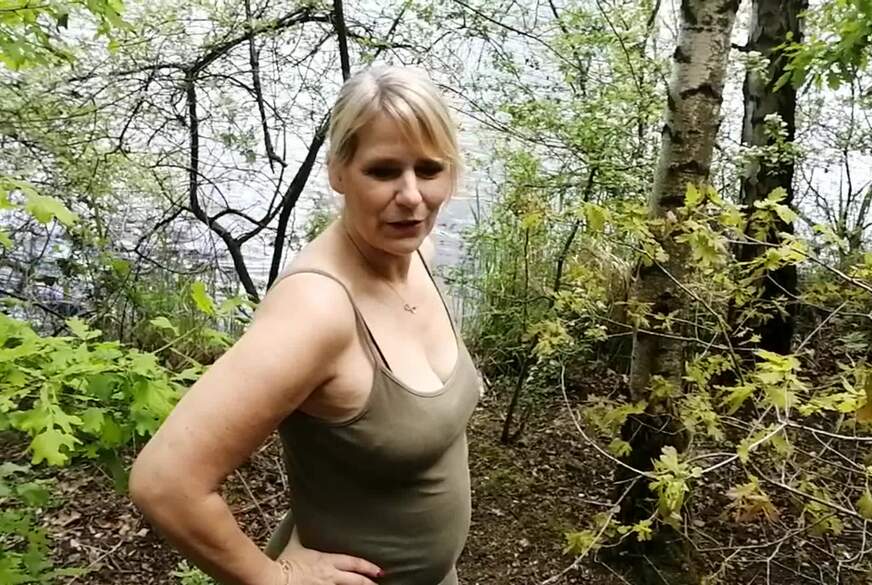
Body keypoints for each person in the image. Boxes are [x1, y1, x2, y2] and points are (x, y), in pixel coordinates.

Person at [129, 65, 482, 585]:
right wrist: (275, 579)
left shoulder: (418, 254)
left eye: (429, 169)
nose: (411, 196)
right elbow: (165, 482)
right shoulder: (316, 311)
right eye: (383, 171)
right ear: (338, 172)